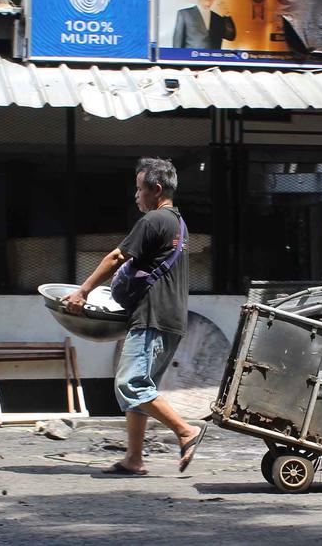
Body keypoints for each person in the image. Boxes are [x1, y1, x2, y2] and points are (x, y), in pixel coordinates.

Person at [66, 158, 207, 475]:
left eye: (139, 189)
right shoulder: (177, 223)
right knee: (142, 388)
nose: (136, 196)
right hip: (170, 319)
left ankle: (186, 431)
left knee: (130, 384)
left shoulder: (154, 220)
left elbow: (117, 257)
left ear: (156, 190)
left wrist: (83, 290)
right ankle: (134, 458)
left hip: (152, 317)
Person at [172, 0, 237, 49]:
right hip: (191, 56)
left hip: (214, 56)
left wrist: (227, 15)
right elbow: (177, 47)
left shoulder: (218, 19)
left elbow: (230, 36)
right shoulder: (184, 14)